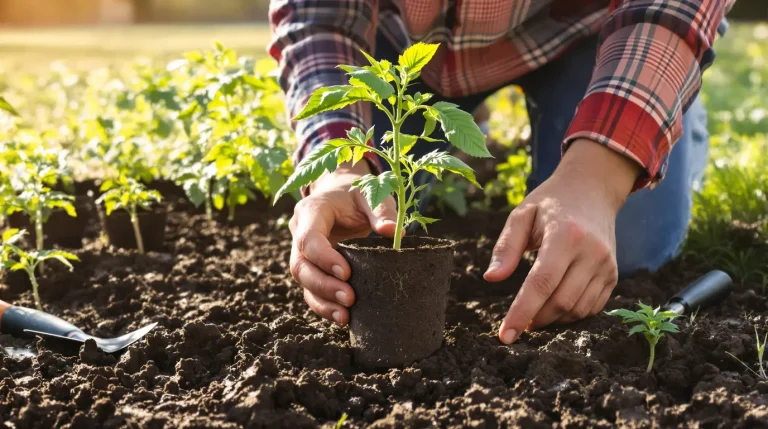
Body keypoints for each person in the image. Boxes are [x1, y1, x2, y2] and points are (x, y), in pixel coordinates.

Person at [268, 1, 734, 344]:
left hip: (588, 31)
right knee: (361, 233)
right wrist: (342, 169)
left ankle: (673, 121)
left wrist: (598, 178)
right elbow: (317, 13)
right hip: (397, 41)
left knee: (625, 245)